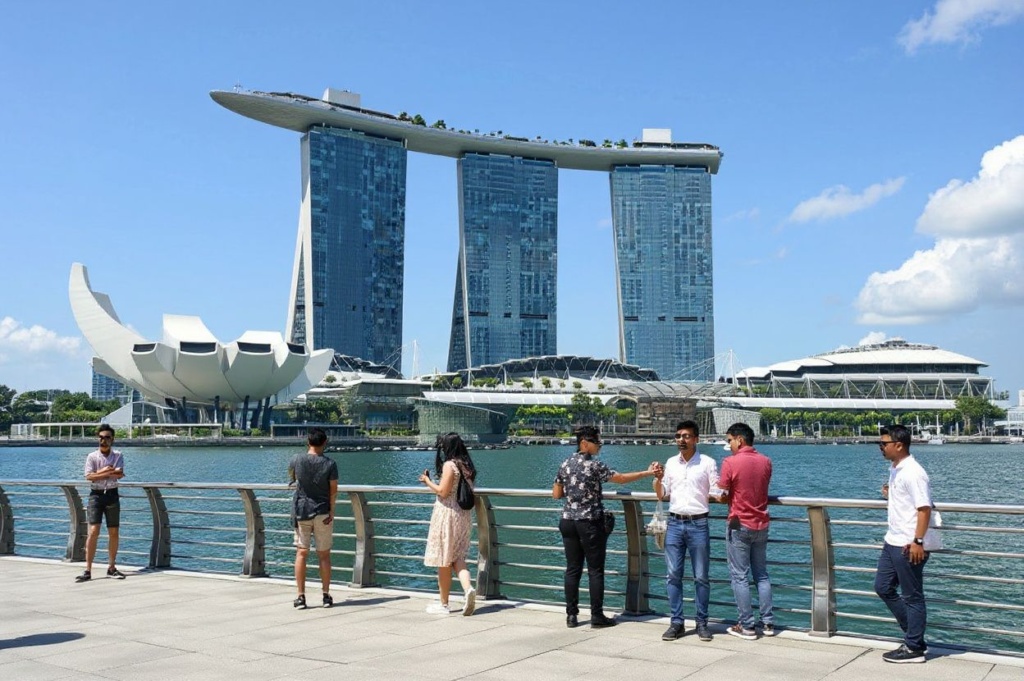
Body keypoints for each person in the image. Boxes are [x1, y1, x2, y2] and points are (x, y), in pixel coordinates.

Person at [553, 425, 661, 629]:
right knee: (595, 570)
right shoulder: (594, 466)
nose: (600, 446)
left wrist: (574, 493)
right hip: (589, 523)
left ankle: (571, 616)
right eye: (597, 442)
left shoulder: (565, 464)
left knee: (572, 569)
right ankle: (596, 616)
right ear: (584, 443)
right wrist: (647, 473)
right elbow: (620, 479)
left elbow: (556, 494)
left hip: (567, 521)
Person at [652, 420, 720, 641]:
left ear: (696, 439)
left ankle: (702, 623)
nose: (681, 440)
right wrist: (658, 479)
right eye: (678, 436)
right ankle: (676, 623)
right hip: (674, 523)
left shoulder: (707, 462)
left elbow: (717, 491)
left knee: (701, 577)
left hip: (699, 523)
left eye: (686, 436)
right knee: (673, 576)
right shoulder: (671, 463)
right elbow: (662, 493)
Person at [875, 424, 934, 663]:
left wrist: (918, 541)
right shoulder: (896, 468)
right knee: (882, 587)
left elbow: (924, 508)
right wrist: (891, 493)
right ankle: (915, 636)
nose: (880, 447)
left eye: (884, 444)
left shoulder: (914, 472)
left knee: (912, 596)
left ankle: (913, 648)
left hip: (909, 544)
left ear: (899, 445)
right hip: (892, 540)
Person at [718, 422, 774, 639]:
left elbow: (722, 490)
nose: (729, 445)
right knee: (761, 574)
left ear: (739, 440)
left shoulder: (730, 462)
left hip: (739, 524)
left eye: (729, 440)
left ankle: (747, 625)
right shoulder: (766, 461)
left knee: (740, 576)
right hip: (762, 523)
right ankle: (767, 623)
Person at [420, 432, 478, 616]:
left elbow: (443, 492)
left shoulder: (450, 465)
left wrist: (427, 481)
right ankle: (468, 589)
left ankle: (444, 604)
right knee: (457, 556)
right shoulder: (466, 466)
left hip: (447, 514)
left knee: (444, 560)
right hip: (464, 515)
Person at [289, 427, 338, 609]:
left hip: (301, 511)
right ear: (325, 442)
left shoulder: (296, 459)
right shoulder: (330, 464)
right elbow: (333, 489)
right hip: (323, 512)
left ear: (307, 442)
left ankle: (301, 597)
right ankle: (325, 595)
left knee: (302, 553)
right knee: (324, 555)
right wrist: (332, 510)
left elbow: (292, 477)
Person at [76, 424, 126, 582]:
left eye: (107, 437)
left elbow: (119, 474)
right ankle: (87, 570)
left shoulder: (118, 455)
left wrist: (100, 473)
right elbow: (89, 476)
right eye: (101, 437)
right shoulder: (92, 456)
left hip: (112, 494)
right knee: (93, 532)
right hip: (96, 496)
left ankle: (111, 567)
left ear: (112, 439)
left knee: (113, 532)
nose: (103, 440)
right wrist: (106, 471)